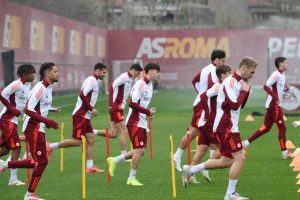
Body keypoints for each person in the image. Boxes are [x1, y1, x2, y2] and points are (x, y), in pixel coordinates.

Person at [183, 57, 257, 200]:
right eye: (252, 72)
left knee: (226, 161)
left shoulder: (241, 83)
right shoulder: (230, 81)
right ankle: (230, 194)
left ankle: (190, 170)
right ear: (244, 68)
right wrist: (243, 91)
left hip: (230, 126)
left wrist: (246, 91)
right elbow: (234, 105)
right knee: (240, 158)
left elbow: (241, 106)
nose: (252, 75)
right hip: (225, 126)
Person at [0, 62, 60, 200]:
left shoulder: (47, 88)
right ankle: (28, 193)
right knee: (40, 160)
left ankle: (6, 165)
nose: (58, 73)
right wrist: (47, 121)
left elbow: (37, 108)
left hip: (38, 127)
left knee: (38, 161)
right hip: (33, 127)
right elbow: (28, 110)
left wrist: (47, 119)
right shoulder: (40, 87)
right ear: (47, 73)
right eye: (55, 71)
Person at [107, 63, 160, 186]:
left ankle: (114, 160)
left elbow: (141, 104)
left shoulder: (150, 86)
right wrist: (147, 112)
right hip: (134, 122)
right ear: (150, 71)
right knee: (139, 150)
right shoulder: (140, 84)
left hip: (141, 121)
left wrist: (149, 112)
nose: (158, 74)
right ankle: (131, 178)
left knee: (141, 151)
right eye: (157, 71)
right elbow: (132, 103)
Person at [173, 49, 226, 172]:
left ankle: (201, 167)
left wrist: (201, 93)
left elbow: (194, 81)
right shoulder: (214, 71)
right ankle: (177, 156)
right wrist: (204, 96)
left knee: (205, 133)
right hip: (203, 105)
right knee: (195, 131)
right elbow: (213, 86)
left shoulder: (206, 69)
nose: (224, 63)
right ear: (217, 59)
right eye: (223, 60)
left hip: (203, 103)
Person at [48, 63, 107, 172]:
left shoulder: (93, 80)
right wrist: (91, 108)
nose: (105, 74)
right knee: (77, 141)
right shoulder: (92, 80)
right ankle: (50, 147)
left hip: (86, 116)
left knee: (91, 139)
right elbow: (82, 94)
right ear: (97, 70)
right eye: (103, 72)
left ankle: (89, 167)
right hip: (81, 115)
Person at [243, 57, 293, 159]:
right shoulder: (276, 74)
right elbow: (265, 86)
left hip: (273, 105)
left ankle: (246, 143)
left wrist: (285, 87)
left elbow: (276, 87)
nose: (287, 64)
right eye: (286, 62)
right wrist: (275, 97)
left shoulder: (282, 75)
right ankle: (284, 152)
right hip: (273, 105)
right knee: (282, 128)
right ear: (280, 64)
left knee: (266, 128)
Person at [189, 65, 232, 182]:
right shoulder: (218, 86)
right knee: (223, 148)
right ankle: (204, 167)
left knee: (202, 149)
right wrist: (207, 113)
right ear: (223, 75)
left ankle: (189, 174)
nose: (231, 76)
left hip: (206, 124)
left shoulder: (225, 86)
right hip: (208, 124)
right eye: (229, 73)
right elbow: (203, 96)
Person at [94, 63, 143, 155]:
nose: (138, 75)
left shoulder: (129, 79)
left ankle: (92, 132)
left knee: (113, 133)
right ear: (134, 71)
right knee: (124, 130)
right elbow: (112, 86)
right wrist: (111, 104)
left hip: (118, 108)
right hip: (116, 107)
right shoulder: (125, 77)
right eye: (138, 73)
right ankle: (123, 155)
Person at [0, 64, 36, 186]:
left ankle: (11, 177)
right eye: (32, 73)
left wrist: (50, 109)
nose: (34, 75)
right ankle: (13, 179)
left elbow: (26, 105)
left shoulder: (28, 86)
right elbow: (2, 94)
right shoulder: (17, 84)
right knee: (17, 147)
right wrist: (11, 109)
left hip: (13, 120)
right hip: (7, 119)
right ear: (24, 74)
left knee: (5, 150)